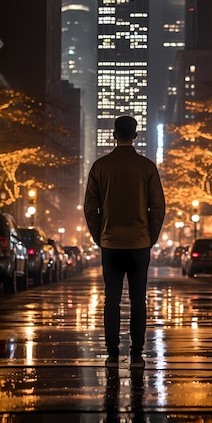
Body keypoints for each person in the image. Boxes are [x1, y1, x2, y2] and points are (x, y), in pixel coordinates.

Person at [84, 115, 165, 368]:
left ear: (113, 135)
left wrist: (99, 236)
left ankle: (111, 353)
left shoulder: (100, 166)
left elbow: (90, 207)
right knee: (138, 299)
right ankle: (138, 353)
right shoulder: (147, 167)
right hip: (139, 243)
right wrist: (151, 237)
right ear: (135, 135)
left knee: (112, 299)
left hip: (111, 244)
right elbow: (158, 207)